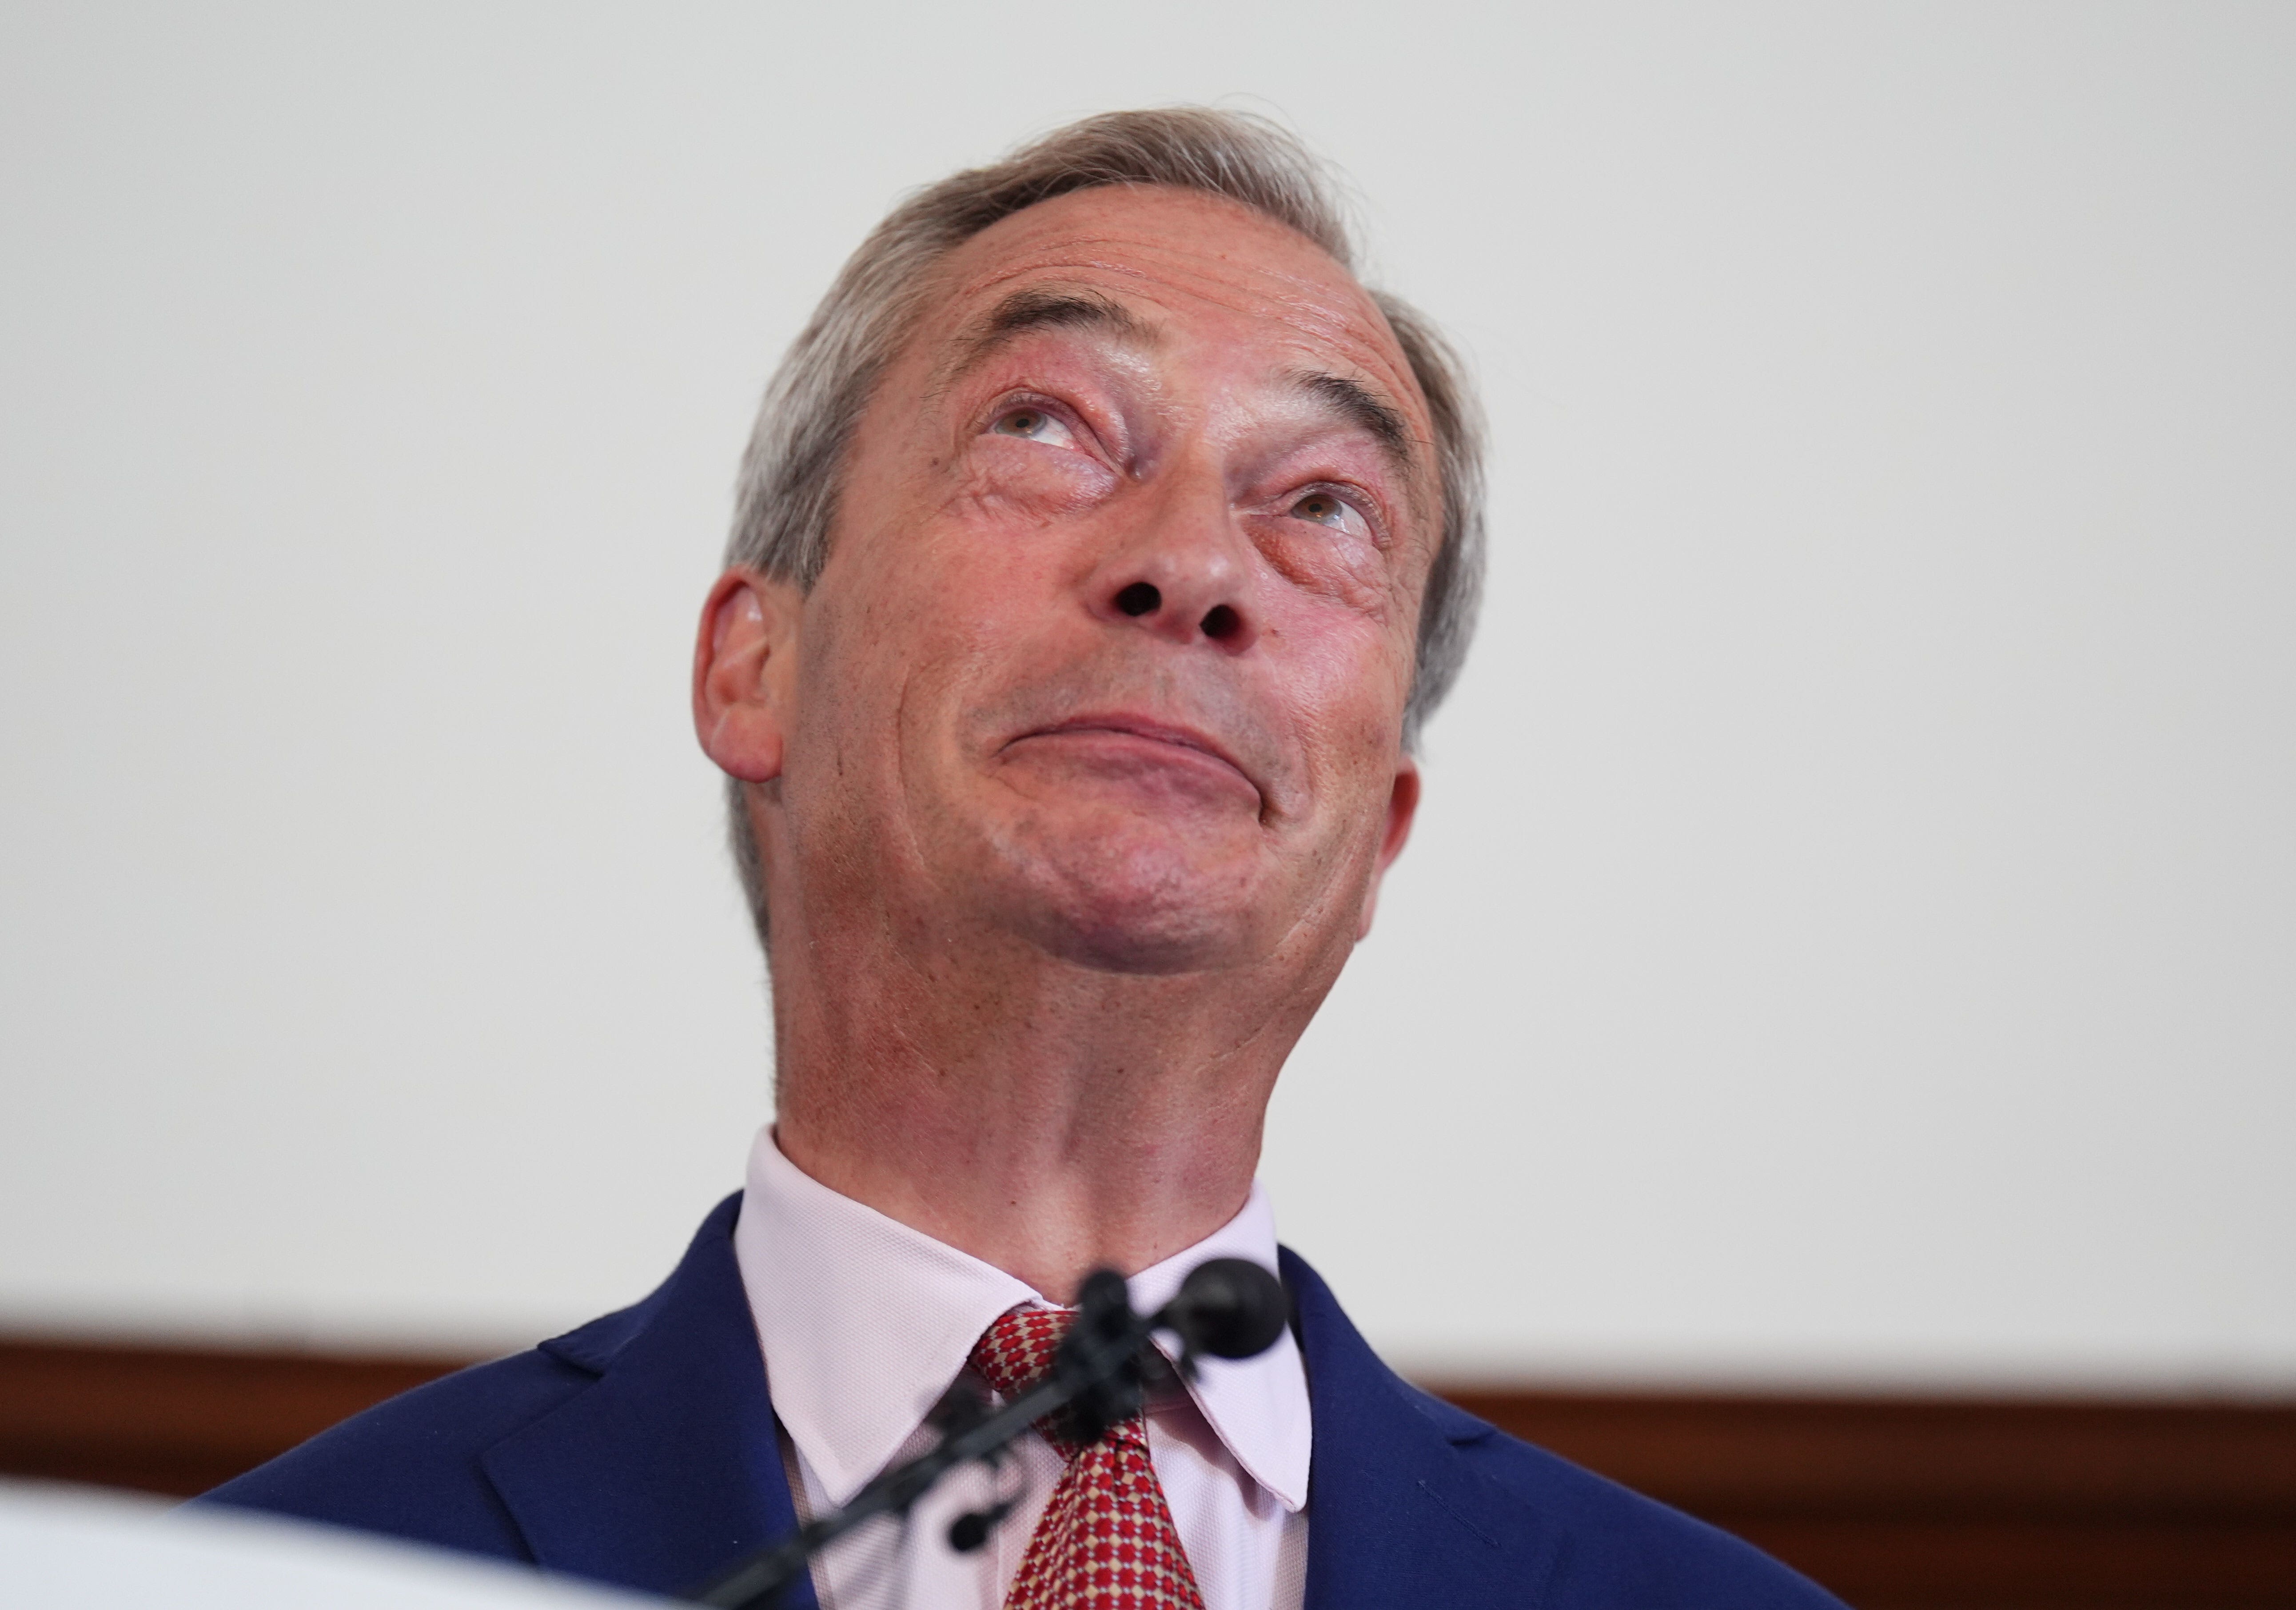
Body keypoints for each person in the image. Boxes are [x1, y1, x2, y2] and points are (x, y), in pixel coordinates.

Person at [201, 108, 1842, 1610]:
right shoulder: (276, 1583)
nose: (1194, 563)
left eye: (1325, 505)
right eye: (1051, 426)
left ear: (1378, 835)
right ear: (753, 670)